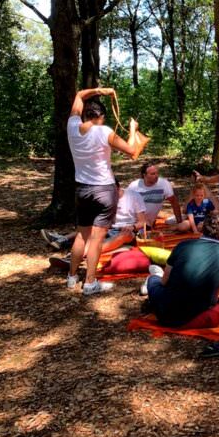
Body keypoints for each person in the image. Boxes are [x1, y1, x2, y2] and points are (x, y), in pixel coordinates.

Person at [66, 87, 140, 295]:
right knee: (97, 238)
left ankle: (72, 277)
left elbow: (79, 94)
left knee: (82, 235)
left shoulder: (72, 126)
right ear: (100, 116)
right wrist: (133, 129)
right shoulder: (104, 131)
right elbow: (132, 151)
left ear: (85, 114)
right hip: (103, 190)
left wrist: (99, 90)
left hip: (81, 189)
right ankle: (90, 283)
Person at [143, 212, 219, 332]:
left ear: (202, 227)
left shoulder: (183, 245)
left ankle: (152, 280)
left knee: (154, 280)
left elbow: (164, 281)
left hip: (165, 311)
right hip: (194, 314)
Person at [41, 178, 146, 260]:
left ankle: (75, 256)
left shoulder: (134, 196)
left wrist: (132, 227)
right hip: (108, 229)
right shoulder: (105, 198)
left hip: (127, 231)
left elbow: (143, 222)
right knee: (89, 229)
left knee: (124, 235)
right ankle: (63, 240)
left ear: (118, 188)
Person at [127, 162, 182, 227]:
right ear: (144, 175)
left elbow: (174, 202)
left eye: (157, 173)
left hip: (148, 224)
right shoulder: (134, 186)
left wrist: (179, 222)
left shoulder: (163, 184)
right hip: (133, 222)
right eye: (152, 174)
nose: (156, 176)